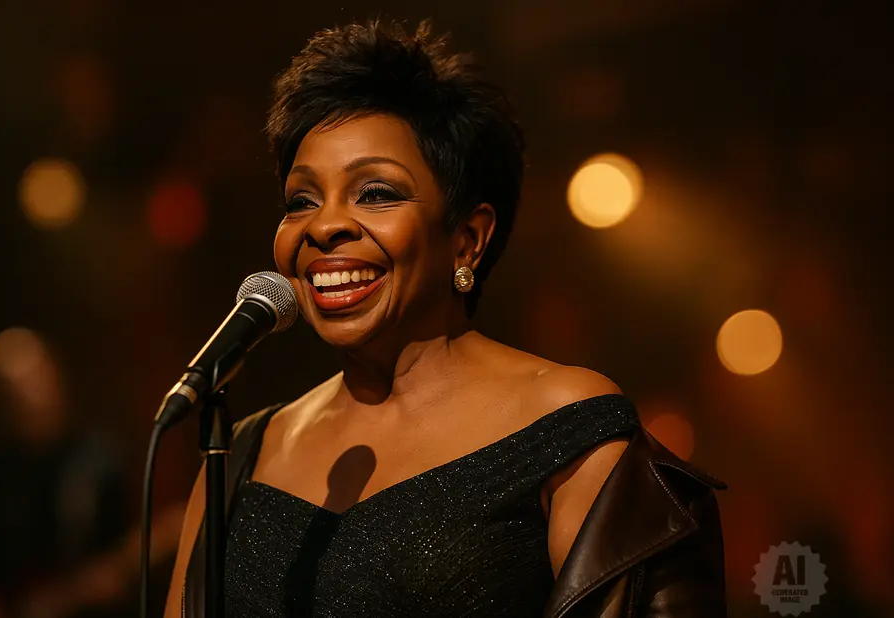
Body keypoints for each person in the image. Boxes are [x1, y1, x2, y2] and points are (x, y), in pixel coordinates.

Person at [166, 19, 727, 617]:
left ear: (467, 241)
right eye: (301, 200)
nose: (324, 226)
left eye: (375, 193)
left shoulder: (568, 425)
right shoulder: (243, 452)